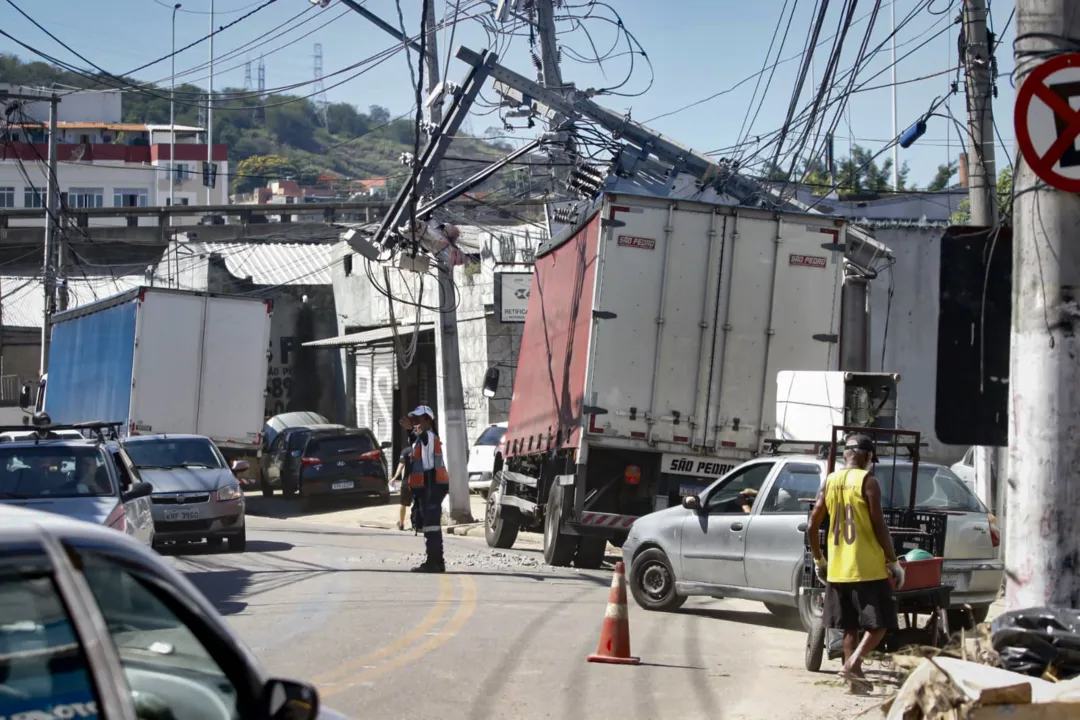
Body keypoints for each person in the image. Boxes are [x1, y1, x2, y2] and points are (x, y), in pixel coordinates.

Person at [808, 433, 906, 692]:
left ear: (845, 455)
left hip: (838, 568)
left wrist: (819, 559)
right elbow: (879, 524)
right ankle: (853, 664)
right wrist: (893, 561)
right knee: (881, 624)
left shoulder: (830, 481)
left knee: (850, 627)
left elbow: (812, 523)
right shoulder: (869, 482)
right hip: (866, 568)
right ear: (868, 456)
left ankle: (855, 684)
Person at [406, 406, 449, 573]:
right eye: (414, 419)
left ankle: (435, 562)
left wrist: (415, 430)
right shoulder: (422, 438)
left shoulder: (428, 436)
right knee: (429, 524)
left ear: (428, 420)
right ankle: (435, 561)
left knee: (432, 525)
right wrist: (411, 431)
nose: (416, 422)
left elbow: (423, 438)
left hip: (432, 483)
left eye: (419, 419)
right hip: (426, 485)